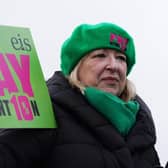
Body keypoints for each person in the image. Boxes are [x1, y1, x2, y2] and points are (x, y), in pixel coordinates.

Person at [0, 22, 164, 168]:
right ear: (76, 67)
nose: (114, 66)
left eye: (121, 58)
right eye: (100, 55)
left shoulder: (140, 125)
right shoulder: (45, 112)